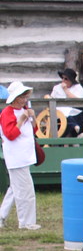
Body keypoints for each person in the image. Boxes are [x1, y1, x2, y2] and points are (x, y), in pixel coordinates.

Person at [1, 82, 40, 230]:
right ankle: (26, 223)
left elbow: (34, 129)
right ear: (14, 98)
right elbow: (10, 134)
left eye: (25, 96)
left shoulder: (24, 110)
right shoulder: (7, 113)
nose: (24, 99)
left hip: (24, 156)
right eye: (21, 97)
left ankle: (2, 215)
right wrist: (22, 119)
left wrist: (32, 117)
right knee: (25, 191)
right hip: (17, 157)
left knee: (15, 189)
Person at [50, 68, 83, 136]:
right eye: (63, 78)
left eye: (66, 79)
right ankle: (73, 125)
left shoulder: (78, 88)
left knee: (68, 113)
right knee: (62, 112)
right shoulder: (57, 87)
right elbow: (51, 98)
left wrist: (66, 90)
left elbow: (78, 101)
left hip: (74, 110)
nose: (63, 81)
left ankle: (74, 128)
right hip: (58, 111)